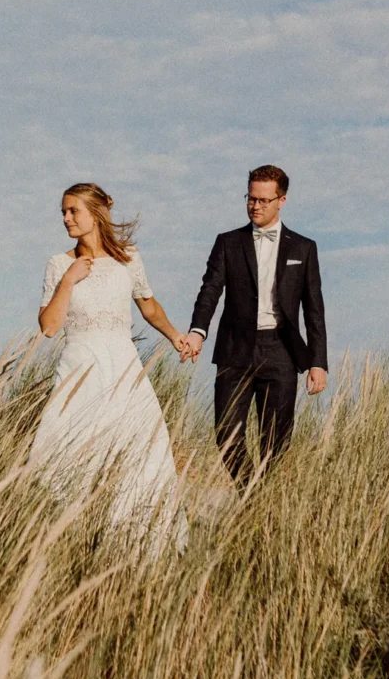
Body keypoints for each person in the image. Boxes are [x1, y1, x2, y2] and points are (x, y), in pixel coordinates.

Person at [29, 182, 188, 551]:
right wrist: (68, 280)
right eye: (63, 212)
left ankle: (136, 543)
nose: (66, 218)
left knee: (139, 453)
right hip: (79, 369)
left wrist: (175, 336)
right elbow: (50, 327)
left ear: (96, 213)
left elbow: (148, 306)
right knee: (61, 453)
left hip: (122, 369)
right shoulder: (59, 264)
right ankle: (66, 541)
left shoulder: (128, 258)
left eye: (73, 211)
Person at [181, 165, 328, 485]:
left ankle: (261, 512)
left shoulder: (304, 248)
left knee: (276, 444)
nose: (255, 206)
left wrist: (318, 362)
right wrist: (197, 330)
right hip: (235, 350)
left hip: (282, 353)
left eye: (263, 200)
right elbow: (210, 290)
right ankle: (252, 500)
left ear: (282, 200)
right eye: (250, 198)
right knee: (226, 437)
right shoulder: (227, 243)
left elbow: (313, 309)